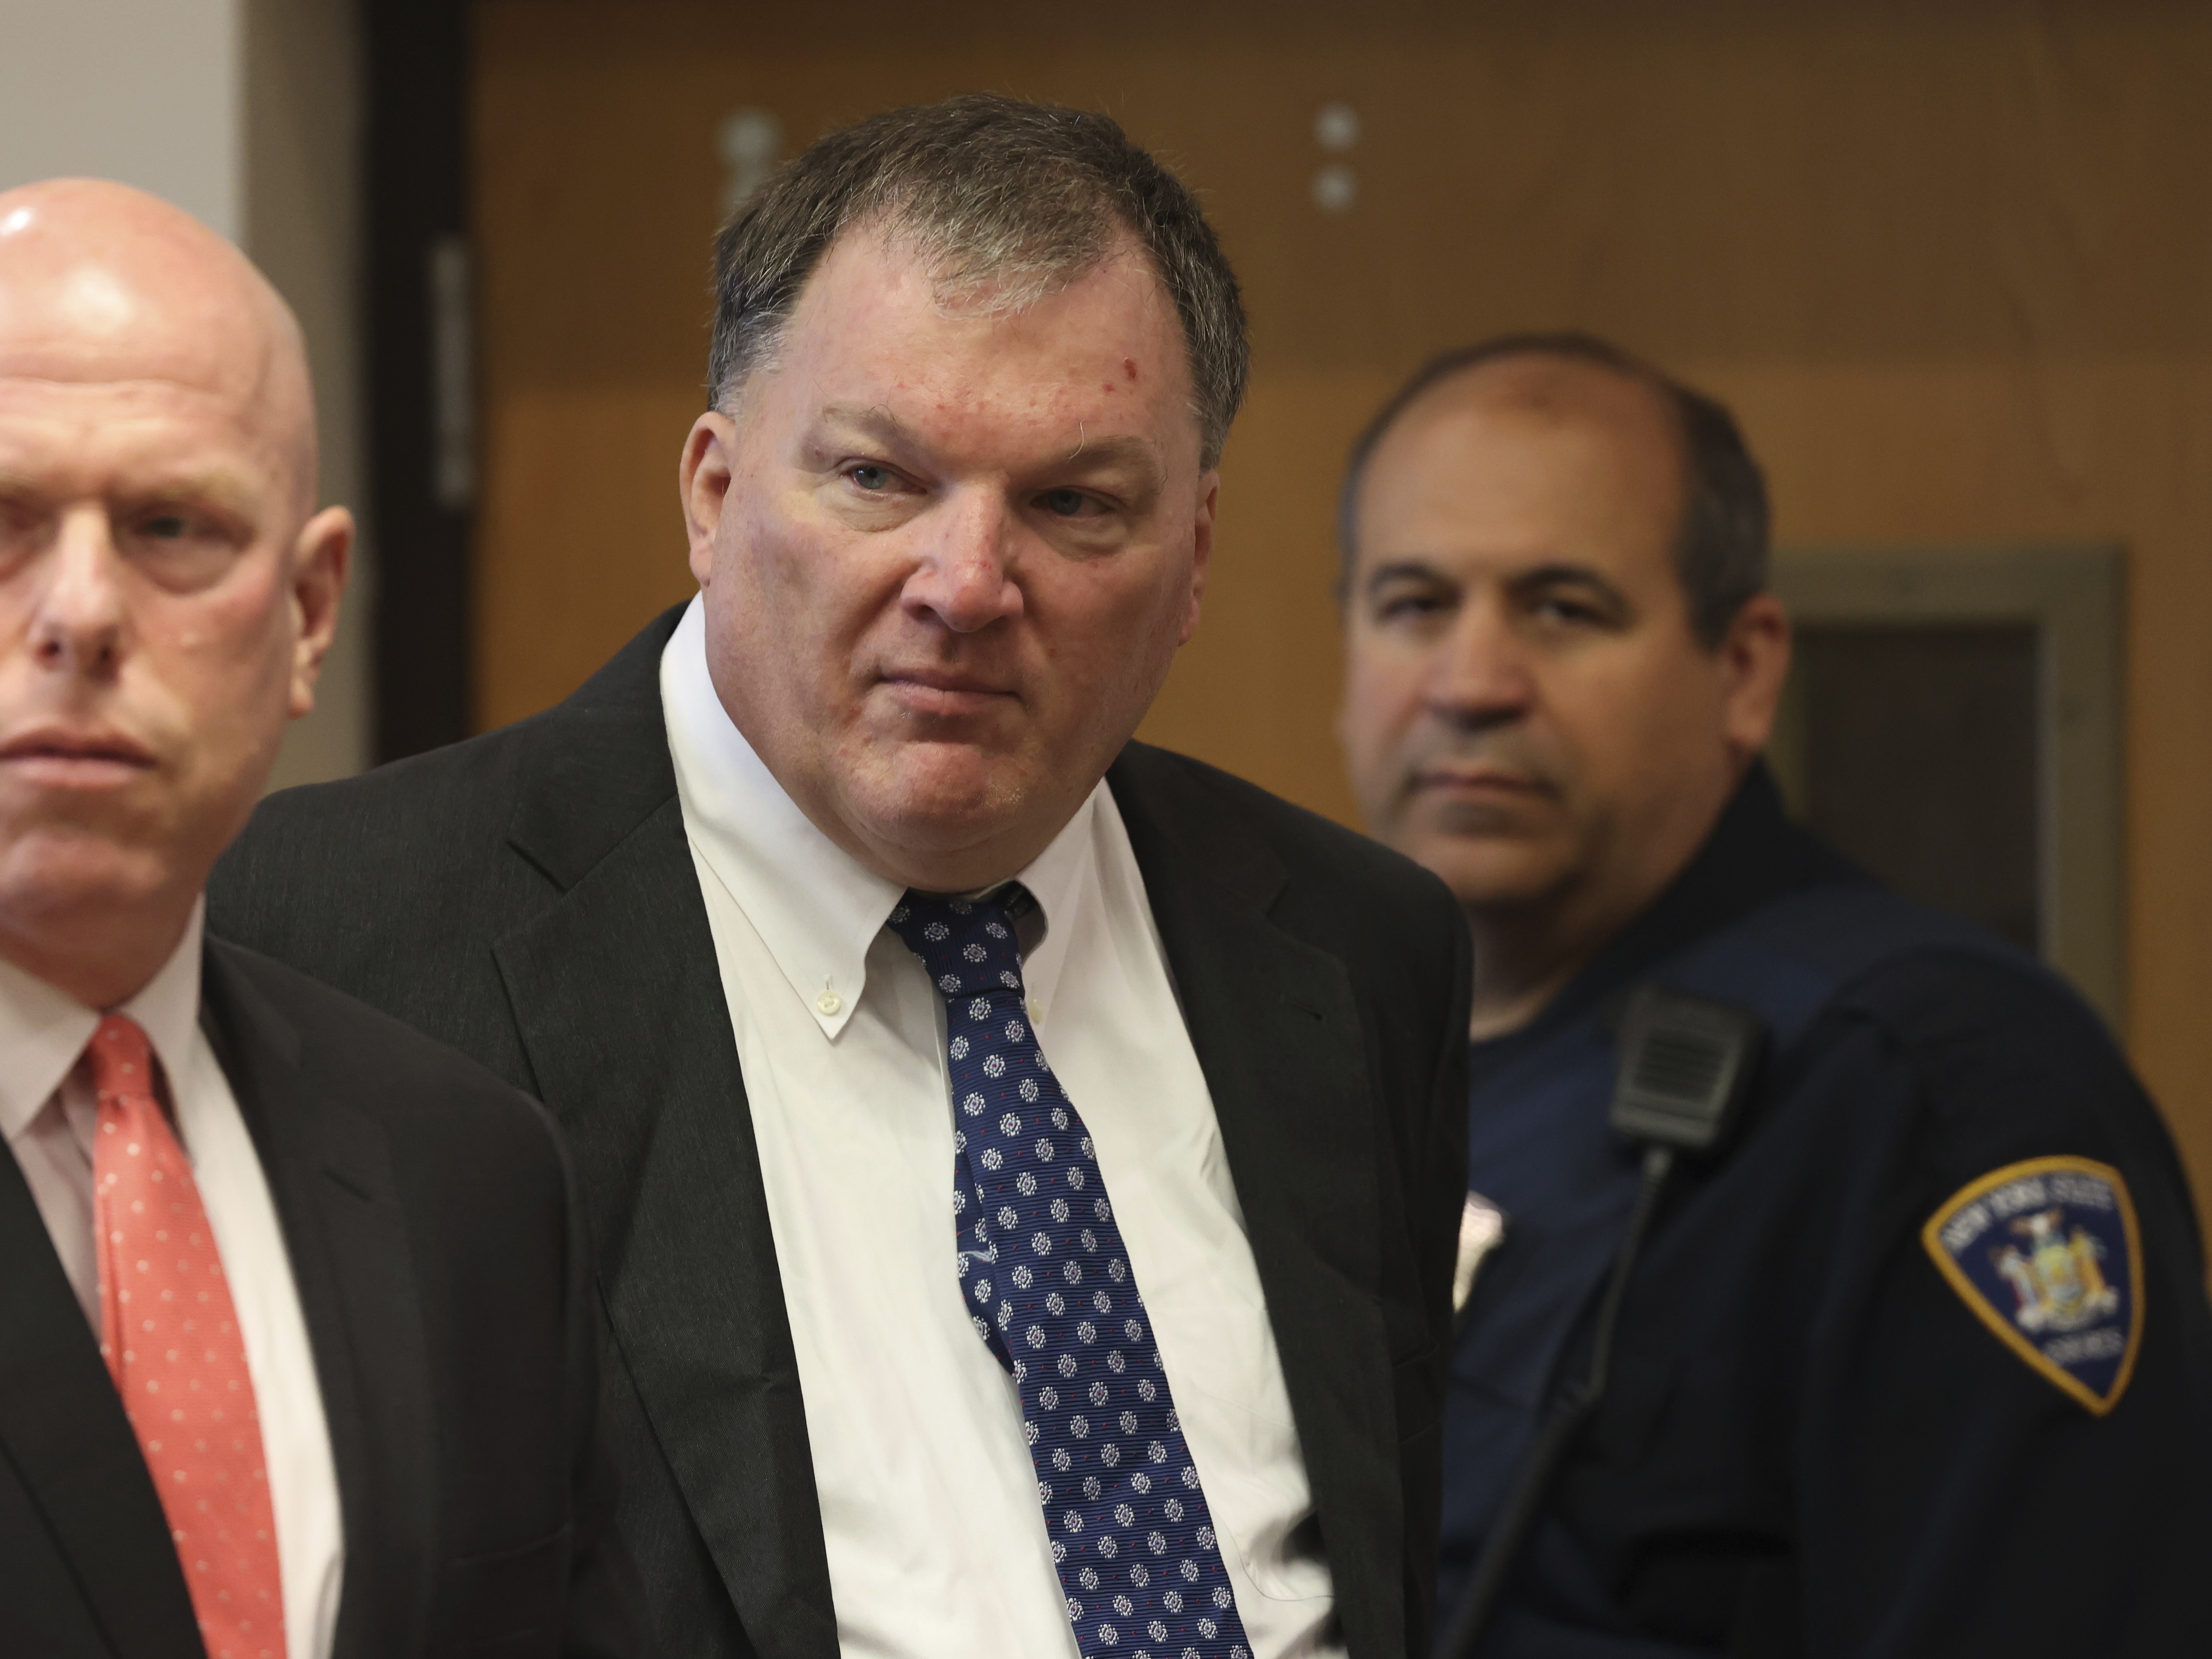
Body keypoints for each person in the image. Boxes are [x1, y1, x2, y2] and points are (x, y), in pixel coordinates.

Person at [208, 96, 1471, 1659]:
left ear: (1195, 553)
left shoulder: (1358, 952)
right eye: (878, 477)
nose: (964, 586)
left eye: (1076, 504)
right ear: (714, 492)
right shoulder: (315, 942)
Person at [1334, 332, 2212, 1656]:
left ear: (1740, 671)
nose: (1469, 683)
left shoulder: (1933, 1084)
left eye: (1562, 608)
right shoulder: (1316, 1062)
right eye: (1411, 605)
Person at [0, 179, 639, 1659]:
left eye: (171, 526)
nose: (80, 612)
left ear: (305, 615)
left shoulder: (467, 1176)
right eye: (5, 521)